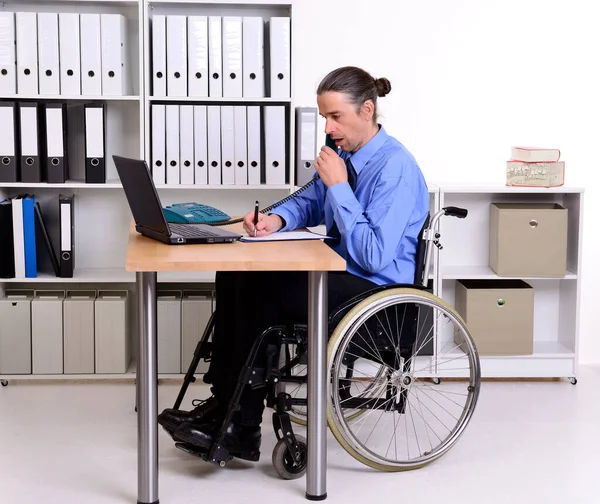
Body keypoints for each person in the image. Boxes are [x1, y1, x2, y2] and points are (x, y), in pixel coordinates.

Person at [158, 66, 430, 462]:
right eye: (324, 117)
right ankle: (224, 402)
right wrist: (275, 219)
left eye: (335, 116)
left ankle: (242, 423)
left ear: (367, 110)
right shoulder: (345, 154)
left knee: (263, 290)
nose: (327, 127)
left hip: (377, 292)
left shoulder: (394, 168)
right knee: (236, 274)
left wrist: (338, 186)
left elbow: (374, 255)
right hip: (340, 271)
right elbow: (310, 201)